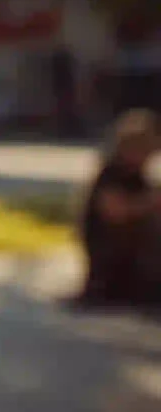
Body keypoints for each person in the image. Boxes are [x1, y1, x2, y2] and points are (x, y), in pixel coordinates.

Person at [77, 109, 161, 307]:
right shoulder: (111, 175)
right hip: (113, 265)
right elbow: (115, 212)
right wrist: (150, 203)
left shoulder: (138, 177)